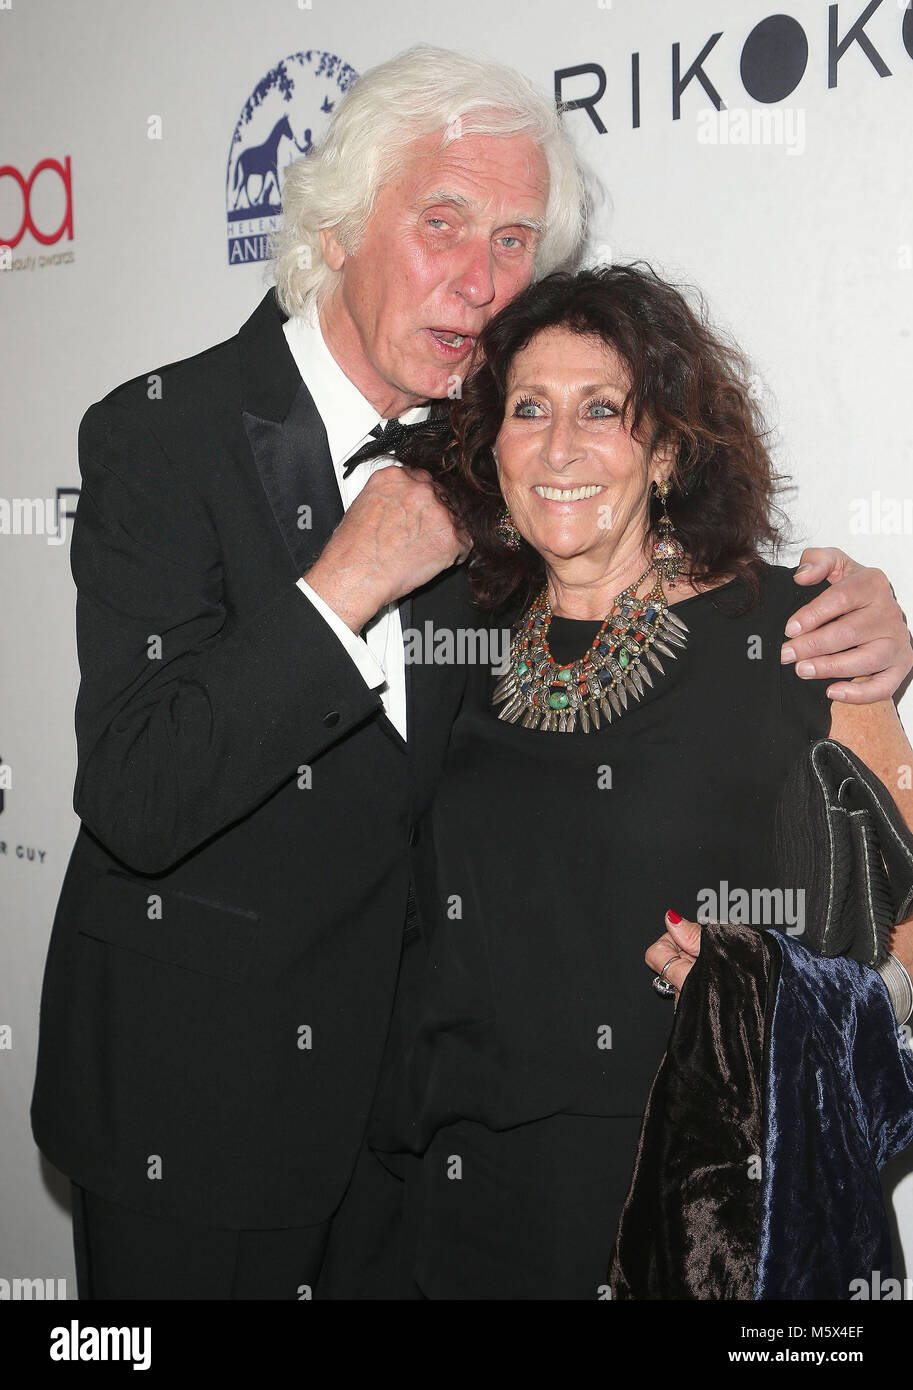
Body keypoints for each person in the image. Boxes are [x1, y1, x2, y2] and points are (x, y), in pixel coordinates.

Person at [29, 44, 910, 1301]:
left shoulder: (499, 455)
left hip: (419, 1157)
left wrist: (867, 629)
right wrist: (345, 582)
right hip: (200, 1127)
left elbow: (650, 591)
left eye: (512, 240)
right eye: (442, 221)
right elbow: (136, 791)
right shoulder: (160, 433)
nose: (482, 277)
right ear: (337, 227)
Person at [377, 262, 913, 1300]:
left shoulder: (795, 635)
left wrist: (772, 993)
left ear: (666, 449)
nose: (560, 445)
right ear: (492, 445)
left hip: (700, 1213)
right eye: (528, 408)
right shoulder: (450, 635)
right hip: (466, 1200)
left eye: (602, 410)